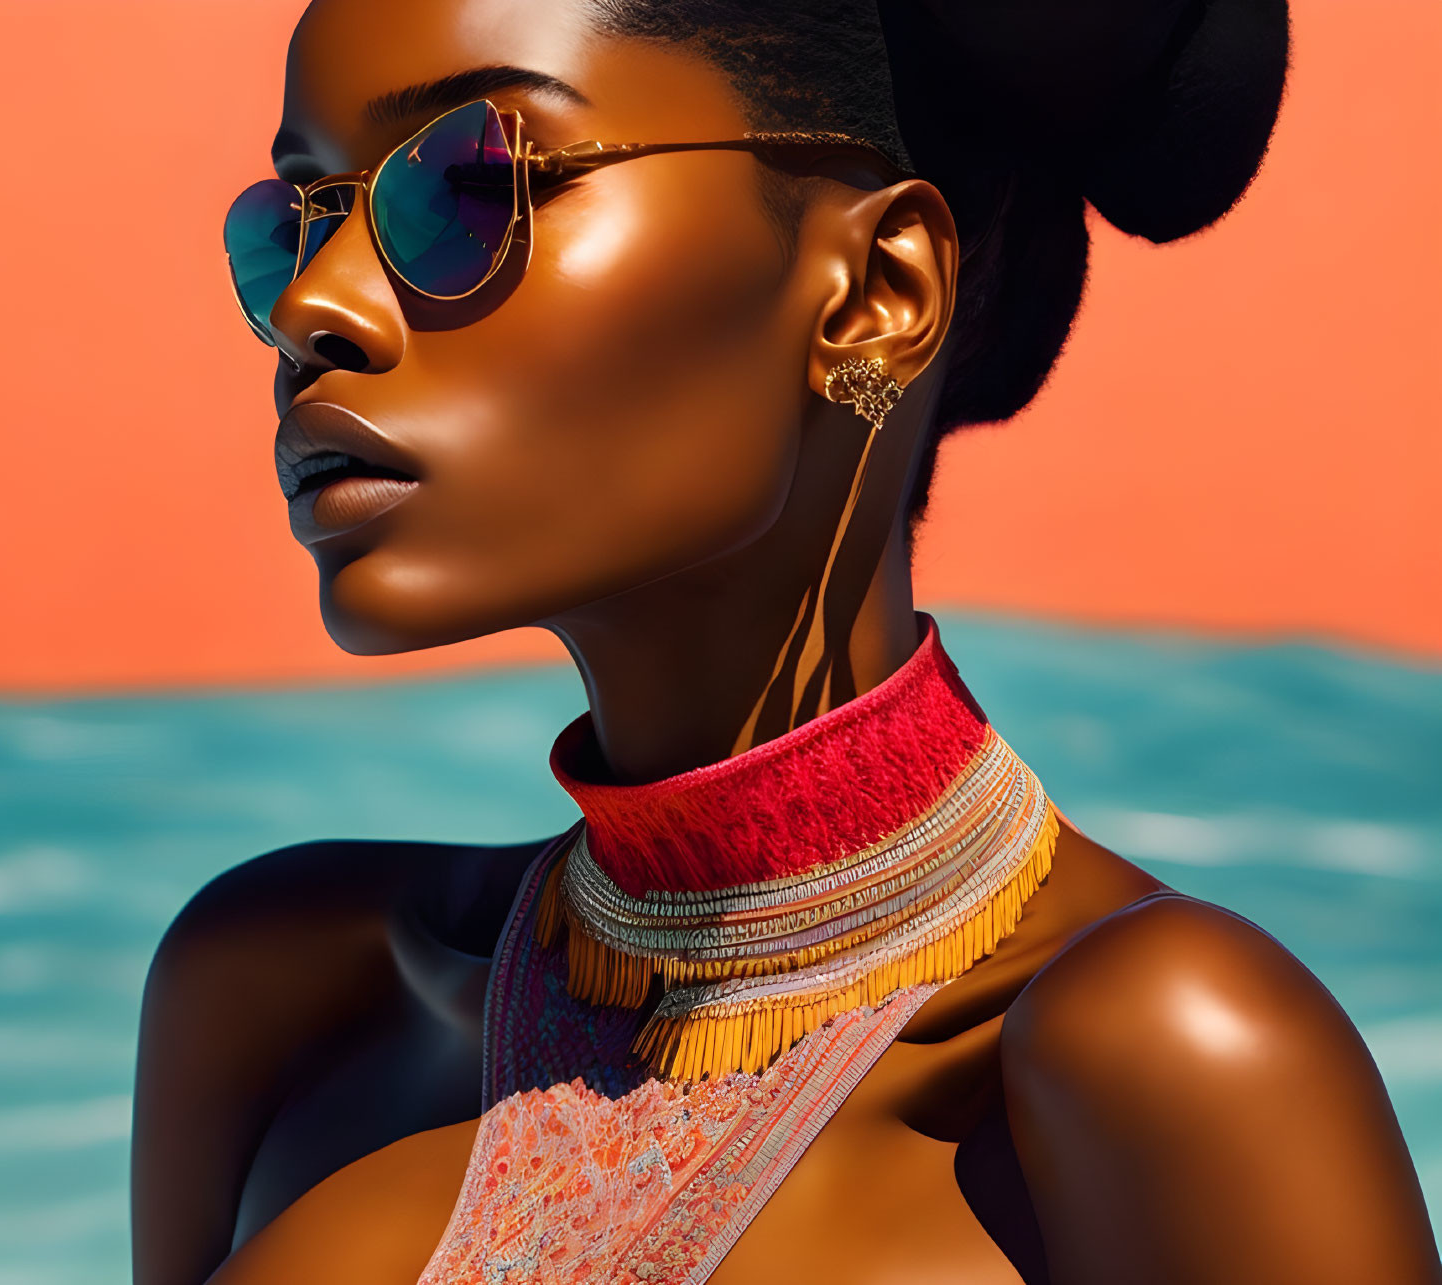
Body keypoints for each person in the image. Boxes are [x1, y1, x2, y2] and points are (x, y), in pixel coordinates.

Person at [131, 1, 1441, 1281]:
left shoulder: (1168, 1064)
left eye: (473, 182)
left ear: (877, 290)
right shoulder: (280, 985)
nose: (316, 303)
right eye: (299, 219)